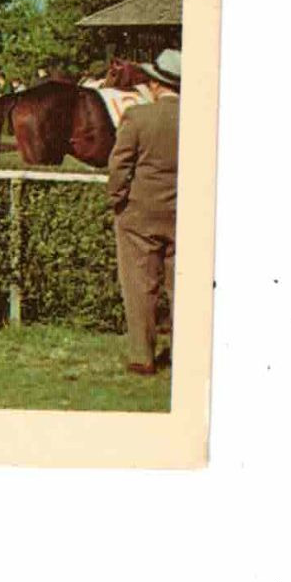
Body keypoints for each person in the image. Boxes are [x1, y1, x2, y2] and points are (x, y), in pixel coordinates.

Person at [106, 49, 181, 376]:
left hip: (139, 214)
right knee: (182, 286)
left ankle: (142, 356)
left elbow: (119, 166)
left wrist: (117, 199)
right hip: (184, 212)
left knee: (140, 285)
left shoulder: (138, 117)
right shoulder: (205, 118)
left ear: (155, 84)